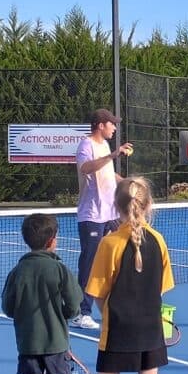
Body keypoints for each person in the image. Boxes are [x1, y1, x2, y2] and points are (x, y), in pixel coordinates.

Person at [81, 176, 174, 374]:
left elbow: (96, 292)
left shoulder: (109, 244)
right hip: (150, 326)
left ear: (115, 206)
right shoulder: (159, 240)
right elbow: (161, 287)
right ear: (148, 205)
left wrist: (113, 307)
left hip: (119, 327)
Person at [1, 213, 88, 374]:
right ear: (52, 239)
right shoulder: (60, 269)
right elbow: (73, 306)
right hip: (56, 341)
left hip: (28, 342)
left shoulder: (18, 271)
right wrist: (61, 315)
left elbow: (8, 308)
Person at [73, 108, 134, 329]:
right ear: (101, 125)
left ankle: (118, 305)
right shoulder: (86, 145)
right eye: (112, 124)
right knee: (89, 264)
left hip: (111, 214)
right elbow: (86, 168)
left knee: (124, 253)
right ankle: (83, 313)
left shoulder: (105, 145)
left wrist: (128, 182)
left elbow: (108, 173)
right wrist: (112, 155)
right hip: (91, 215)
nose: (115, 127)